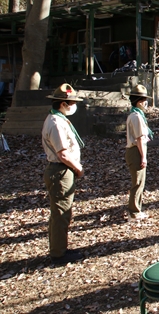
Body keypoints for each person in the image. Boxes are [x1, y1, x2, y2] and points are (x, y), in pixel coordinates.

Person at [42, 84, 85, 264]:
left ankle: (59, 247)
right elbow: (63, 153)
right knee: (61, 213)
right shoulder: (55, 123)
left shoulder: (58, 120)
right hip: (60, 170)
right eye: (71, 102)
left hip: (62, 170)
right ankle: (59, 253)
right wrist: (77, 168)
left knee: (61, 212)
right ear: (63, 104)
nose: (74, 105)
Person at [125, 85, 153, 221]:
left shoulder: (136, 115)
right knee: (137, 182)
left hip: (136, 150)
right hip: (136, 151)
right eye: (144, 100)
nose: (145, 103)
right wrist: (143, 157)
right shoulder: (136, 116)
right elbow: (140, 138)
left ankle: (137, 208)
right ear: (139, 101)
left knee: (140, 182)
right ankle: (134, 211)